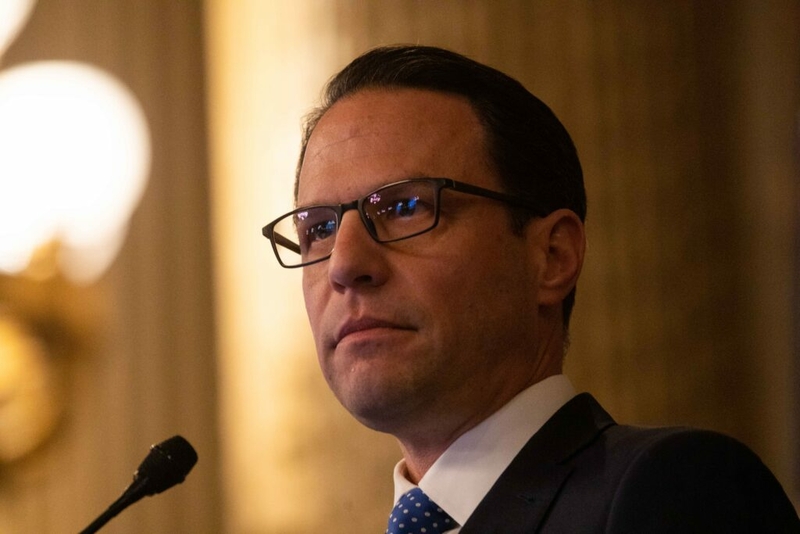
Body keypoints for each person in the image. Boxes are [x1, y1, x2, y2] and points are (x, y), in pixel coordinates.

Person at [262, 45, 799, 533]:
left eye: (406, 207)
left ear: (552, 257)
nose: (345, 264)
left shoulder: (674, 492)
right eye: (319, 229)